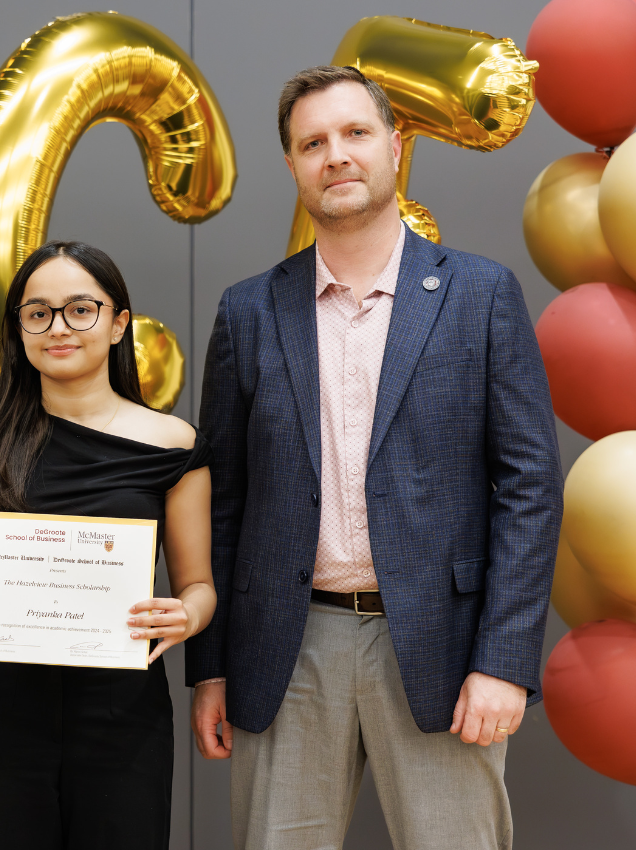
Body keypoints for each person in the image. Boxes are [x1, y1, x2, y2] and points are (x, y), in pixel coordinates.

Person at [186, 66, 563, 850]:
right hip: (287, 650)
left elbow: (529, 489)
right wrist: (211, 666)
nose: (336, 155)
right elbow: (222, 503)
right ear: (293, 166)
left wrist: (503, 660)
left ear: (394, 146)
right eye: (313, 143)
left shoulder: (481, 295)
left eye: (355, 133)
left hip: (440, 647)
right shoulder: (248, 311)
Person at [0, 241, 216, 850]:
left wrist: (186, 615)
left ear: (118, 324)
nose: (59, 328)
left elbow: (199, 586)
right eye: (38, 313)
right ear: (19, 329)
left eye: (81, 310)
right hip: (5, 711)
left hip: (123, 712)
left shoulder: (174, 445)